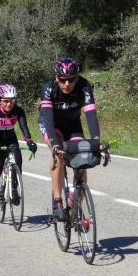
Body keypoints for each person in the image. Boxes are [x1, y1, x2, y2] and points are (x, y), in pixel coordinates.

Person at [38, 56, 101, 221]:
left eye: (71, 79)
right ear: (56, 77)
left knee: (83, 158)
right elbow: (48, 119)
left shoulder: (84, 86)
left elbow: (91, 116)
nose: (67, 84)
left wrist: (96, 141)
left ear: (77, 77)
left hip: (73, 124)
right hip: (51, 125)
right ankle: (58, 201)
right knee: (58, 154)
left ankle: (76, 206)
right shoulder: (48, 87)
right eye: (62, 80)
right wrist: (54, 145)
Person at [0, 83, 37, 204]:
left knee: (18, 159)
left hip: (10, 138)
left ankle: (14, 188)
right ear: (0, 100)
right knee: (0, 159)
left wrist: (29, 141)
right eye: (6, 101)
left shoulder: (18, 111)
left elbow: (24, 127)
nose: (9, 104)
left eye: (12, 101)